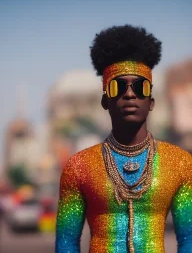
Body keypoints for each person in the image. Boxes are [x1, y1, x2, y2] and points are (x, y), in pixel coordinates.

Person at [55, 25, 192, 253]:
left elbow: (189, 239)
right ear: (105, 101)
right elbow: (66, 243)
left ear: (151, 102)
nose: (130, 94)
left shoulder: (180, 163)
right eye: (118, 87)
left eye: (140, 87)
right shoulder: (78, 167)